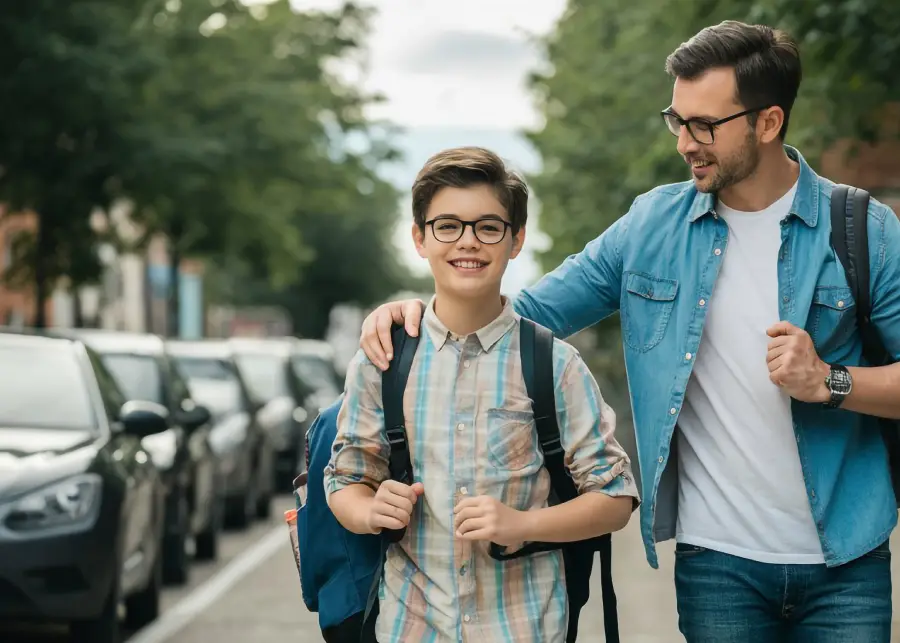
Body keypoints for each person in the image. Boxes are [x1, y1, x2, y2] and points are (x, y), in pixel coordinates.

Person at [358, 21, 900, 643]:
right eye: (678, 120)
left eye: (705, 126)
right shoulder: (650, 225)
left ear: (768, 122)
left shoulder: (863, 229)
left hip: (847, 561)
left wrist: (828, 380)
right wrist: (416, 316)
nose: (685, 144)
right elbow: (522, 315)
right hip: (717, 561)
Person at [324, 146, 639, 643]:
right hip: (410, 626)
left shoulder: (555, 366)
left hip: (527, 627)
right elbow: (346, 478)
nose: (467, 242)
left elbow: (616, 497)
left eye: (488, 227)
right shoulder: (382, 362)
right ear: (419, 238)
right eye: (447, 226)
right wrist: (369, 511)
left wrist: (522, 523)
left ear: (515, 241)